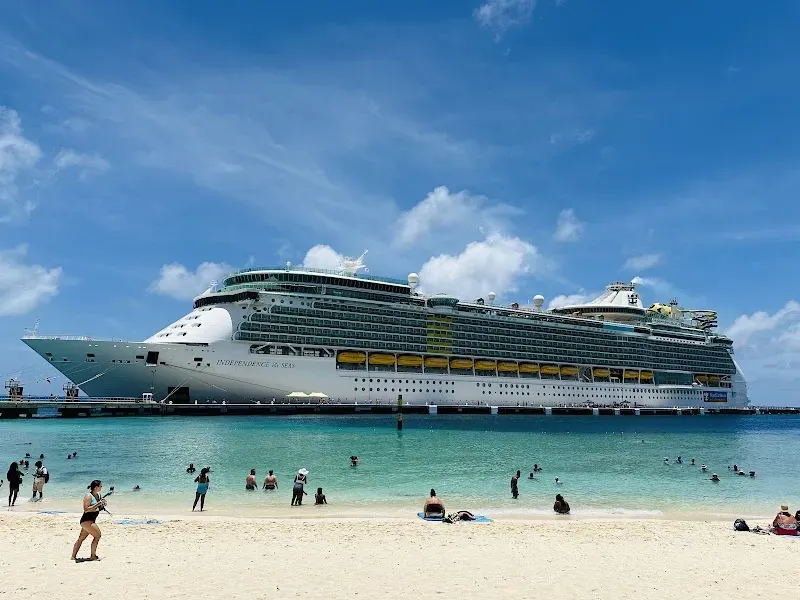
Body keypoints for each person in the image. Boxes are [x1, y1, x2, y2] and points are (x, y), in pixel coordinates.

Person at [71, 480, 106, 561]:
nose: (101, 487)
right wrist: (98, 504)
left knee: (81, 539)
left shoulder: (98, 495)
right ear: (96, 487)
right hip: (87, 520)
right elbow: (86, 509)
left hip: (91, 520)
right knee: (97, 535)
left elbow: (97, 508)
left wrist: (102, 504)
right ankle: (93, 556)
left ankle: (73, 557)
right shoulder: (88, 496)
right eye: (100, 486)